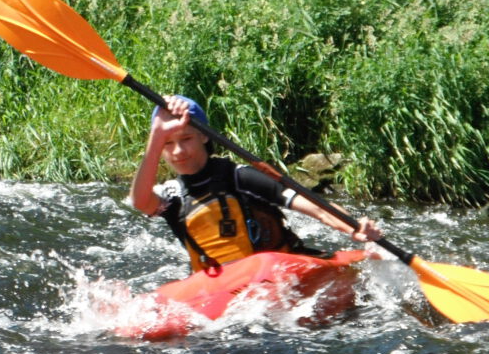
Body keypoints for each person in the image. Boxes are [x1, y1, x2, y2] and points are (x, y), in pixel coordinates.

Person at [130, 95, 383, 272]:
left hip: (278, 273)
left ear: (204, 136)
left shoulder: (240, 177)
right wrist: (157, 134)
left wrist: (353, 228)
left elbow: (315, 207)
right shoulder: (172, 196)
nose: (177, 151)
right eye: (167, 143)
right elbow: (141, 202)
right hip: (218, 288)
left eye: (185, 139)